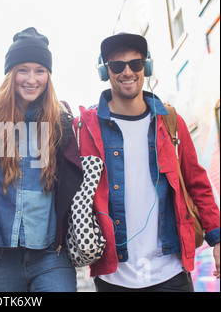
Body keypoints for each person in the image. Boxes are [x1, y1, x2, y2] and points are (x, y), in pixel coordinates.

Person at [76, 32, 220, 292]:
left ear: (147, 67)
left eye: (136, 64)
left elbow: (197, 184)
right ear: (105, 71)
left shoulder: (171, 124)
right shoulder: (87, 128)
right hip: (114, 276)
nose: (127, 72)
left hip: (171, 270)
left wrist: (217, 239)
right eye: (117, 66)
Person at [0, 27, 83, 292]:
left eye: (40, 70)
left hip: (51, 255)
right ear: (10, 73)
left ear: (48, 75)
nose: (31, 79)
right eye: (23, 70)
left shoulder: (61, 120)